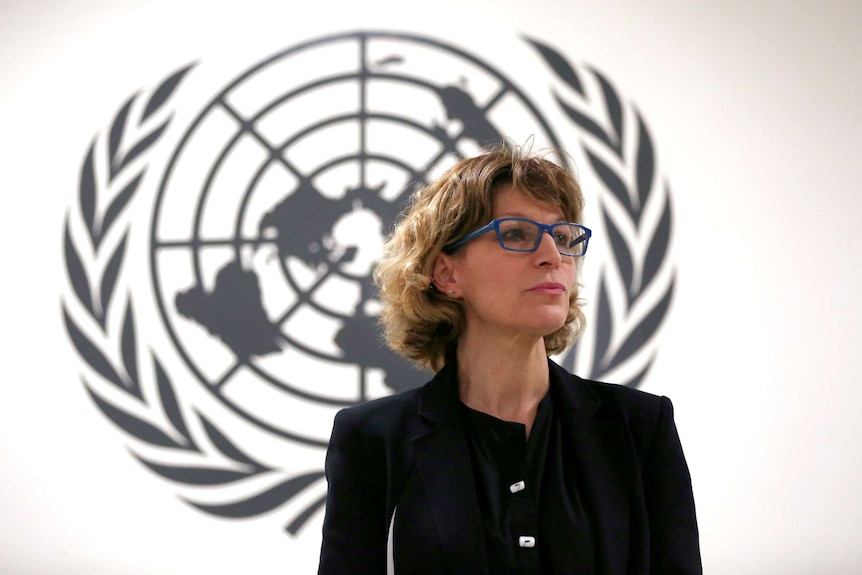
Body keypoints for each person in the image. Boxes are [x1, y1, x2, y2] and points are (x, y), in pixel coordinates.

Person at [317, 145, 702, 574]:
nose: (552, 257)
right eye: (516, 234)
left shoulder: (640, 427)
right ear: (447, 274)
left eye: (561, 236)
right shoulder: (373, 440)